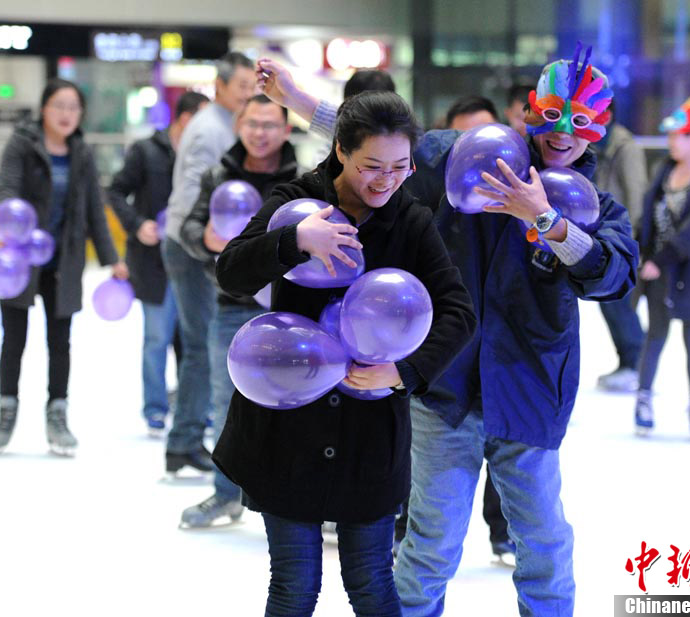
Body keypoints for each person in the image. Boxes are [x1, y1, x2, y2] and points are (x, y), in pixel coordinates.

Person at [256, 43, 638, 616]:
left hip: (531, 392)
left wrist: (550, 223)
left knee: (543, 543)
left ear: (599, 131)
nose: (564, 132)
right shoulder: (469, 156)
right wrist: (298, 101)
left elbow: (615, 274)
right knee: (430, 544)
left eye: (581, 122)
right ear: (532, 110)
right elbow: (384, 145)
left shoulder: (594, 205)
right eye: (554, 114)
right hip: (444, 390)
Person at [212, 91, 476, 616]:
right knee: (293, 585)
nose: (386, 179)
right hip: (288, 421)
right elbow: (232, 270)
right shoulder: (296, 200)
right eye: (371, 165)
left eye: (400, 166)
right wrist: (293, 239)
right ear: (340, 150)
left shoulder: (412, 220)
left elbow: (458, 311)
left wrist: (404, 371)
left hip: (368, 434)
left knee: (372, 582)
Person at [392, 92, 514, 565]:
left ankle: (500, 531)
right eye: (463, 140)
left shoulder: (523, 200)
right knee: (431, 511)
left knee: (512, 471)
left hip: (506, 368)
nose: (478, 152)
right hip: (442, 370)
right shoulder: (428, 198)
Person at [177, 94, 299, 526]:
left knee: (295, 407)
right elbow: (188, 228)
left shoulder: (303, 179)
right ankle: (225, 493)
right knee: (225, 403)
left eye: (270, 124)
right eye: (252, 124)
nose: (260, 133)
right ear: (238, 127)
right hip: (232, 305)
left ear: (286, 129)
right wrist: (206, 239)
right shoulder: (218, 176)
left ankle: (300, 499)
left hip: (292, 311)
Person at [0, 78, 127, 456]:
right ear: (43, 109)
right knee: (13, 338)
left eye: (73, 107)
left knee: (59, 342)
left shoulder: (81, 152)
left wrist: (112, 257)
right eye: (59, 106)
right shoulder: (22, 144)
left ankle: (57, 414)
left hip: (62, 261)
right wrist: (6, 227)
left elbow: (93, 210)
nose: (67, 114)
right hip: (18, 258)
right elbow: (7, 188)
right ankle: (7, 408)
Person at [162, 52, 256, 475]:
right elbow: (189, 198)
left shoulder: (226, 125)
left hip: (200, 248)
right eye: (241, 86)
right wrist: (202, 244)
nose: (249, 94)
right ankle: (183, 440)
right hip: (190, 250)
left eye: (252, 87)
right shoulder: (208, 129)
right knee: (200, 346)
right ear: (219, 87)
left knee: (199, 346)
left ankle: (185, 437)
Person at [107, 92, 208, 436]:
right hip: (152, 264)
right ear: (184, 119)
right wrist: (137, 225)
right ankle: (155, 407)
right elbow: (116, 190)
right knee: (157, 339)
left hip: (194, 260)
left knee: (193, 340)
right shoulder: (146, 151)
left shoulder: (203, 155)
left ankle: (192, 405)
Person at [634, 95, 690, 438]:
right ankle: (643, 399)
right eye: (669, 136)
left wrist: (659, 260)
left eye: (677, 136)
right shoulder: (664, 170)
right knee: (655, 334)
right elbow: (648, 217)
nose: (671, 142)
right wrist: (642, 253)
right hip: (657, 270)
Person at [593, 106, 648, 392]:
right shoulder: (596, 143)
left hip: (622, 240)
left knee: (619, 304)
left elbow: (637, 194)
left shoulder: (625, 148)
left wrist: (634, 245)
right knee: (609, 303)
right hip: (603, 238)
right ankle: (629, 361)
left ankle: (635, 363)